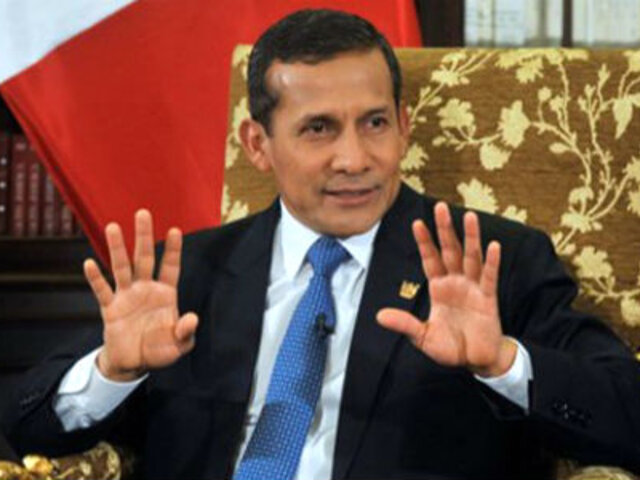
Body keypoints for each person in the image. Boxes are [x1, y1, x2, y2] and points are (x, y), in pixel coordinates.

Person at [3, 8, 640, 480]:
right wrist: (113, 372)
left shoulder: (490, 261)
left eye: (375, 123)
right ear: (258, 145)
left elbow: (628, 417)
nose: (354, 159)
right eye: (318, 129)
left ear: (404, 127)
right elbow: (23, 426)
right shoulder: (187, 273)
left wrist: (503, 364)